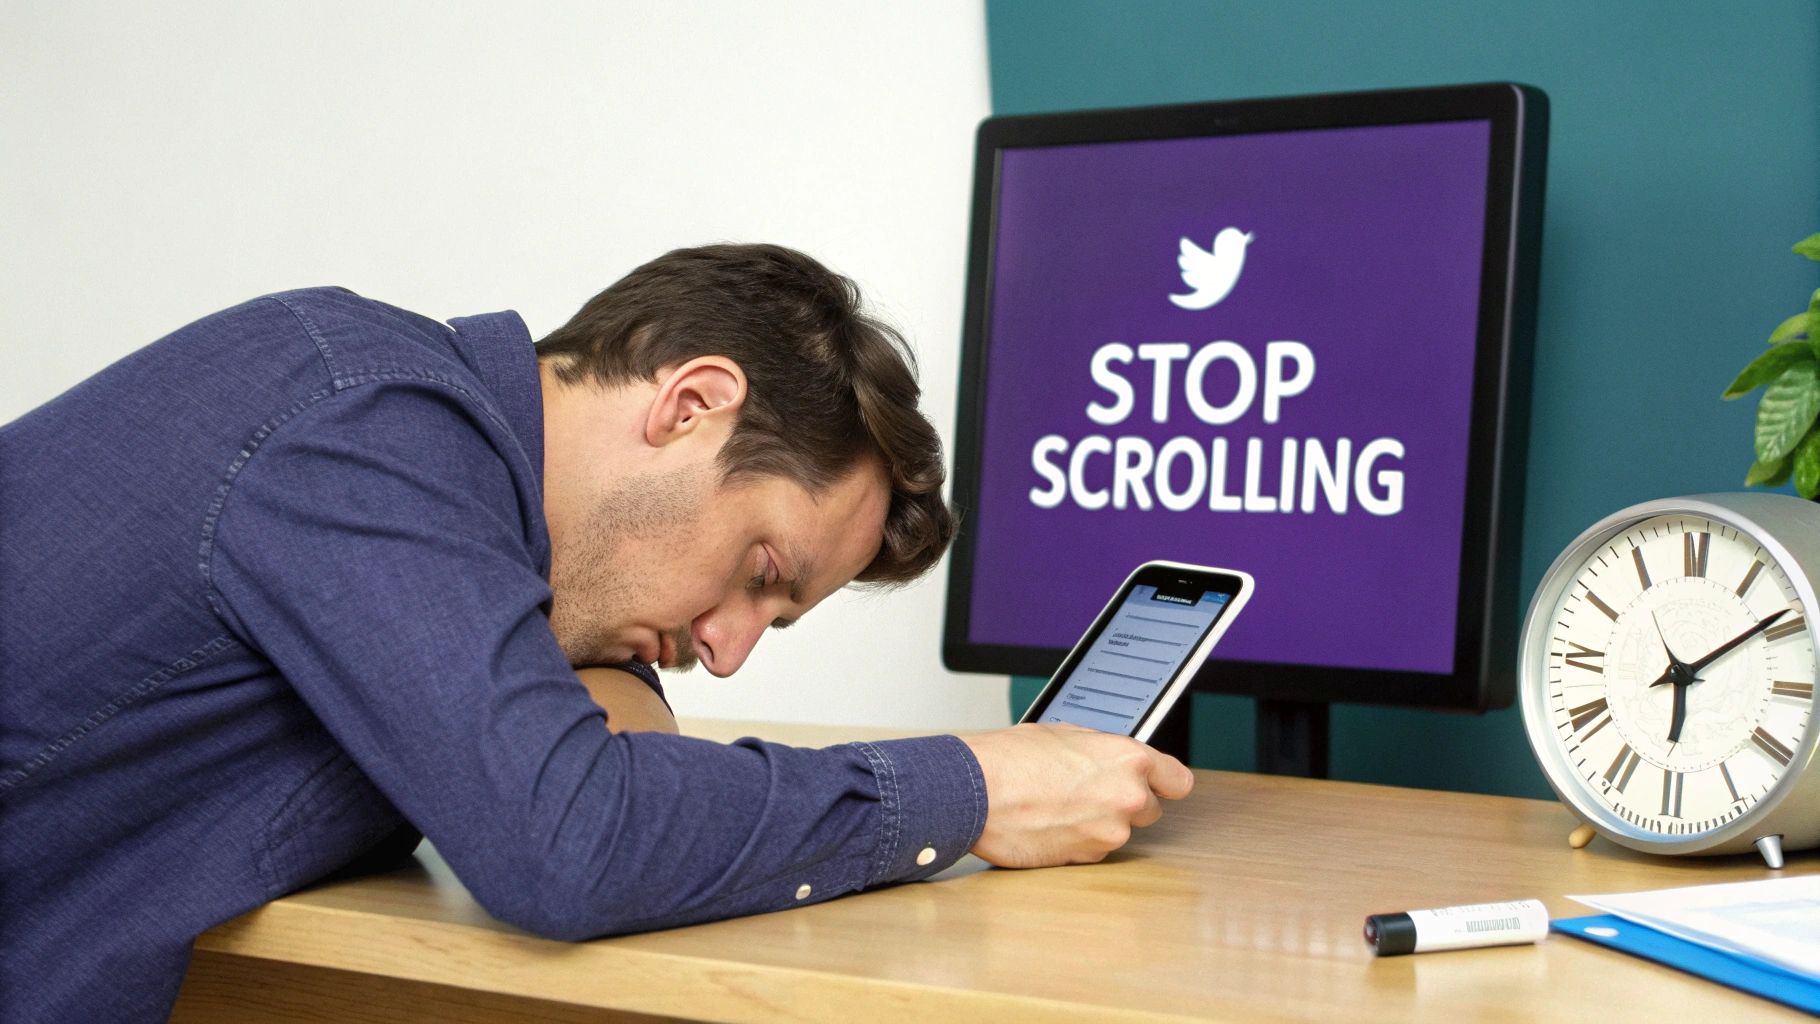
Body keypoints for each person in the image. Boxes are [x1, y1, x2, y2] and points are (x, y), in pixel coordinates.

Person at [0, 244, 1193, 1022]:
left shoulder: (453, 508)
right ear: (689, 405)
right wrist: (966, 787)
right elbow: (561, 844)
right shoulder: (369, 429)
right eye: (758, 570)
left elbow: (574, 771)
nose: (727, 647)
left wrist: (617, 708)